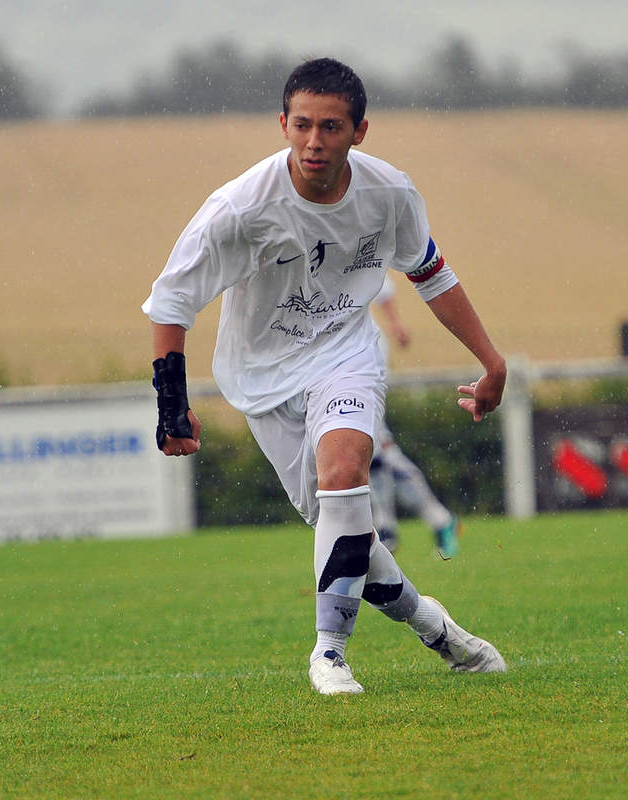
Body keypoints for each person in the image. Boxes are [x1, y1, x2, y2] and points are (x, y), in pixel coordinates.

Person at [143, 58, 506, 694]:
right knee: (350, 537)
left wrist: (492, 361)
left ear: (360, 131)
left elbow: (431, 274)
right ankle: (435, 627)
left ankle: (329, 654)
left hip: (346, 355)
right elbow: (171, 302)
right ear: (282, 124)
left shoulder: (389, 193)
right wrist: (171, 402)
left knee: (347, 474)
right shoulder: (238, 208)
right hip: (261, 380)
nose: (316, 142)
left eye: (332, 127)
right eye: (303, 125)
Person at [370, 274, 461, 558]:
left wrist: (395, 324)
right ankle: (388, 529)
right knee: (374, 452)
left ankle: (435, 521)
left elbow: (378, 280)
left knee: (375, 448)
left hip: (356, 358)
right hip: (327, 362)